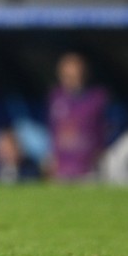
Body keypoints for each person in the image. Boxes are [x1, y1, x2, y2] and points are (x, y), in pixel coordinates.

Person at [46, 51, 110, 181]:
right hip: (62, 168)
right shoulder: (56, 97)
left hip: (90, 168)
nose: (70, 80)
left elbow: (108, 127)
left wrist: (101, 151)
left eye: (75, 75)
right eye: (67, 76)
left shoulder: (98, 98)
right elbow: (53, 130)